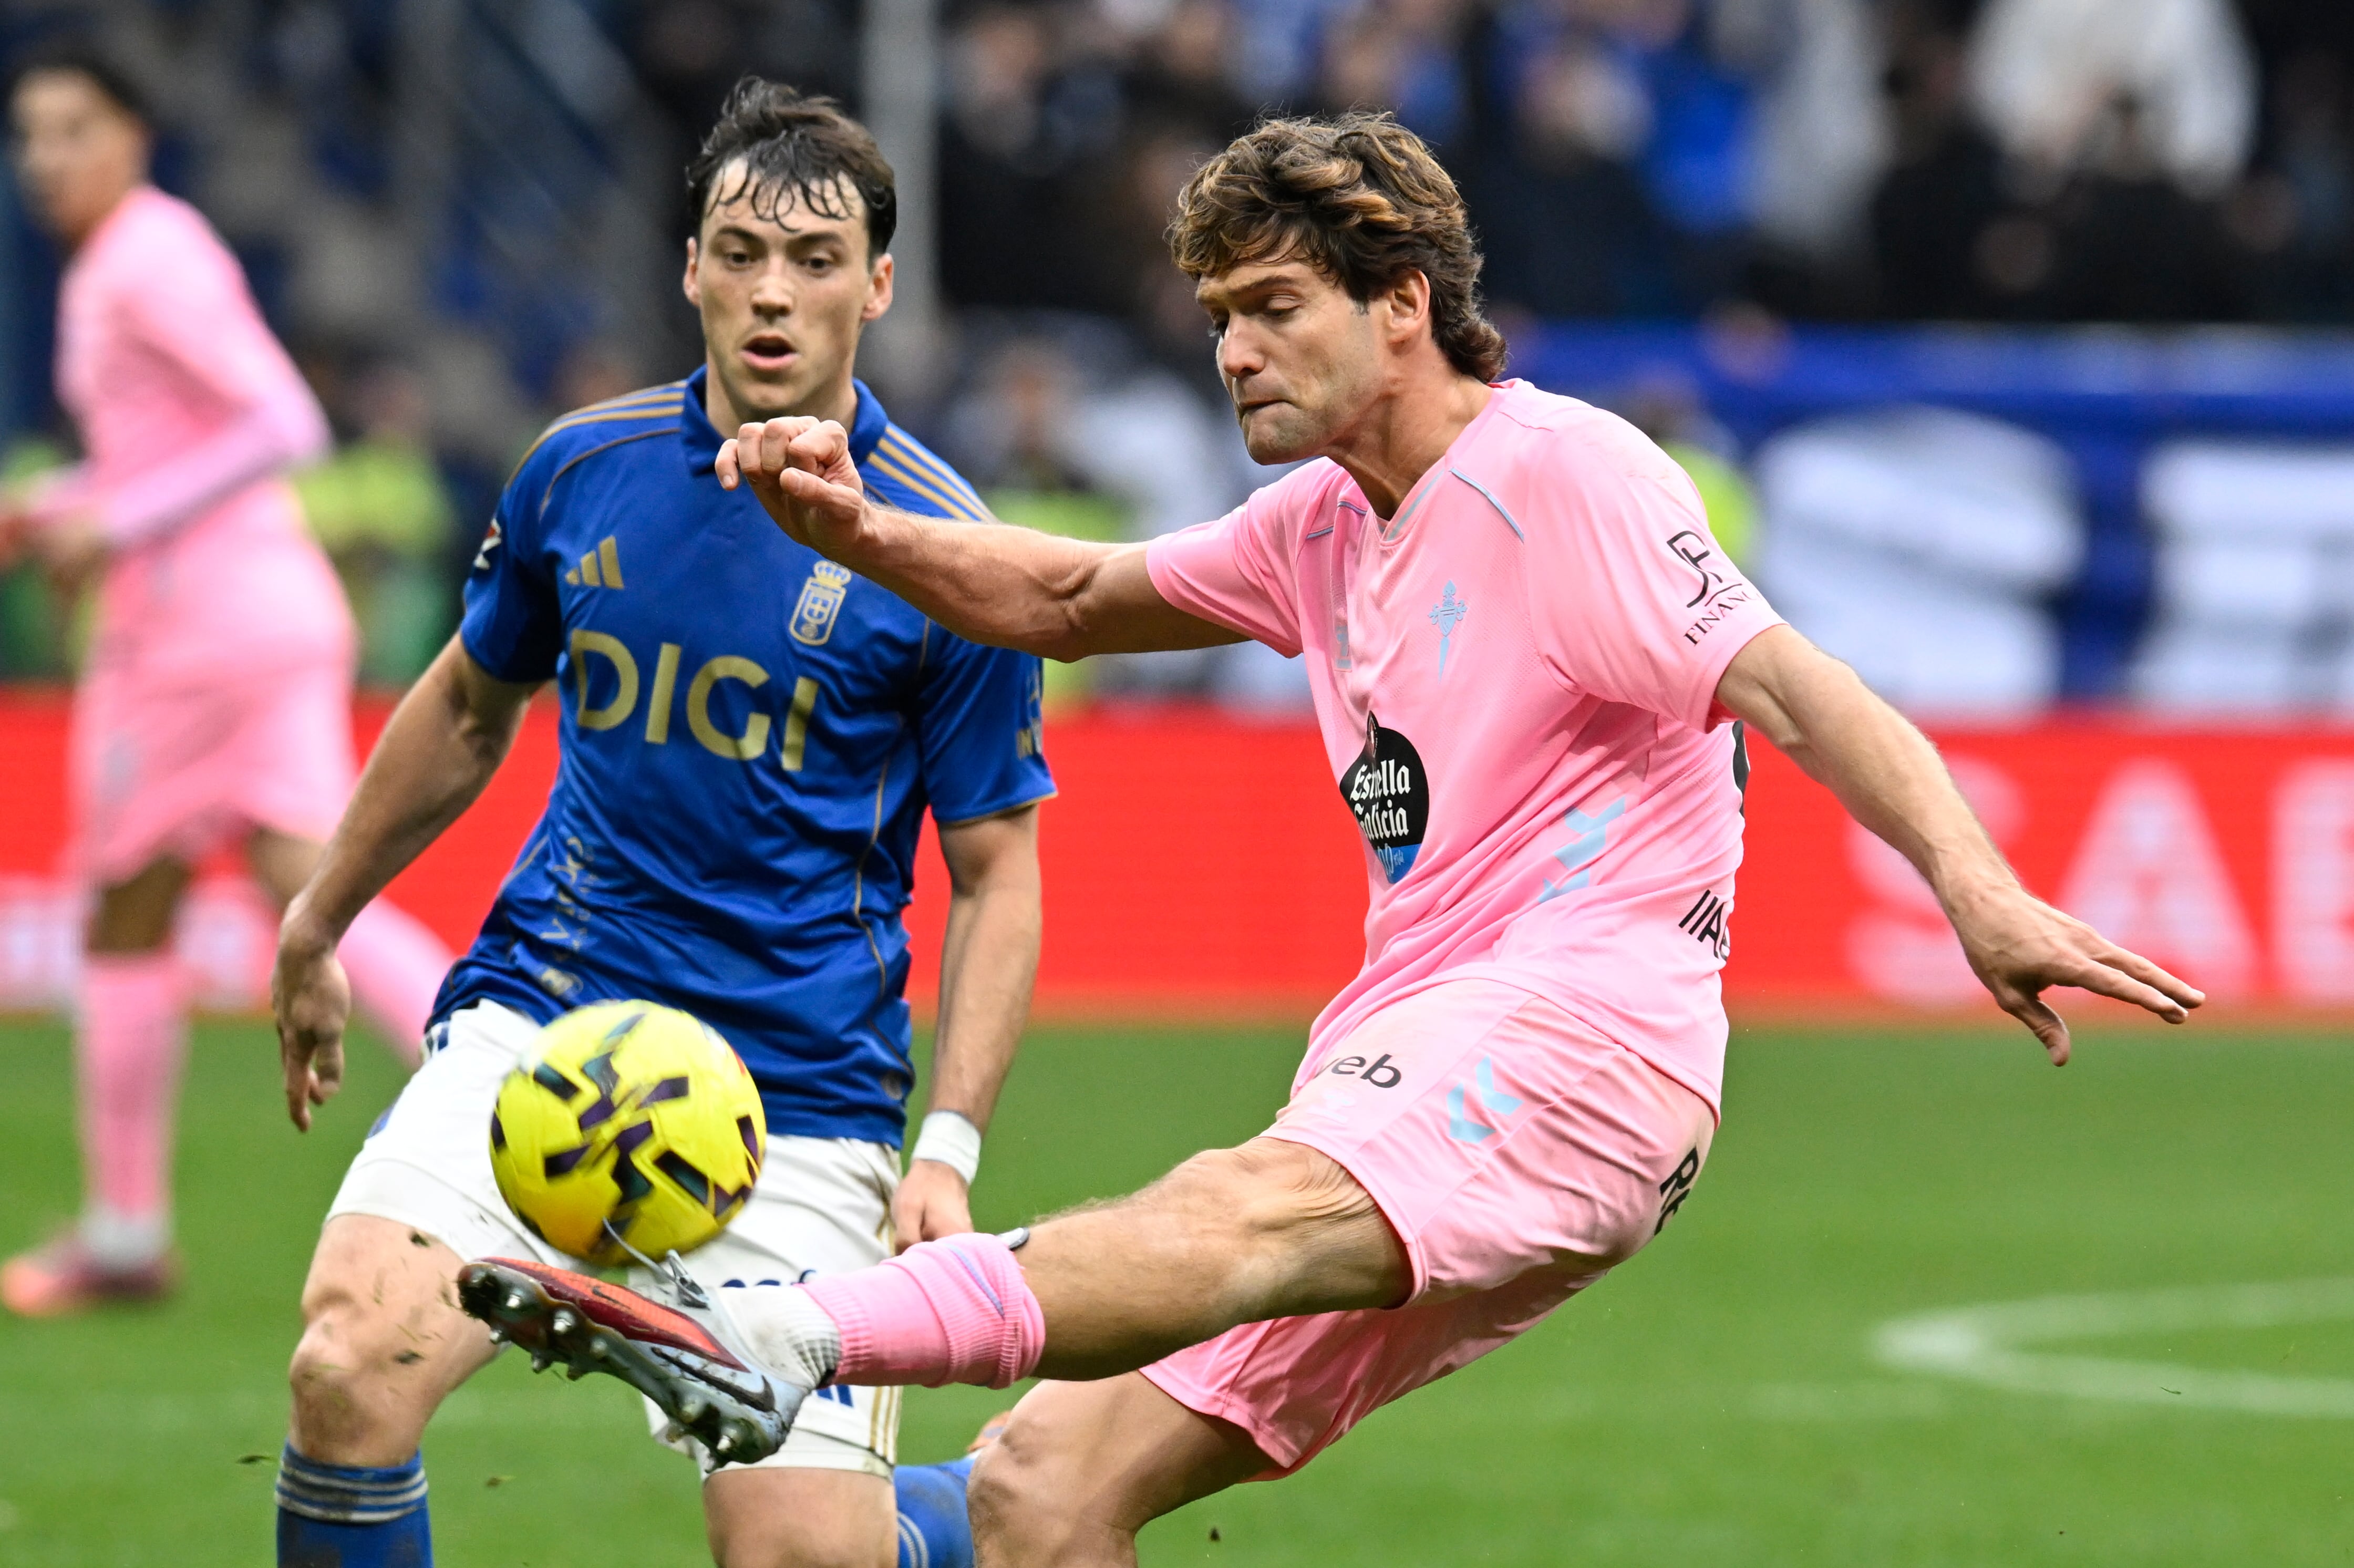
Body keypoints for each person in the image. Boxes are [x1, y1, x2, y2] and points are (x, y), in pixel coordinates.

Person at [461, 111, 2208, 1564]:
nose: (1233, 349)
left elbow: (1798, 686)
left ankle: (784, 1335)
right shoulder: (1318, 522)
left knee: (1239, 1212)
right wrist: (858, 527)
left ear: (1405, 305)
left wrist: (1978, 887)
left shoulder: (1565, 477)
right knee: (1040, 1493)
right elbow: (1062, 597)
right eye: (1221, 313)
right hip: (1415, 1039)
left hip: (1578, 1040)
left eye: (1276, 306)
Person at [264, 79, 1050, 1568]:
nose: (773, 293)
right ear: (690, 268)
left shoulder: (945, 545)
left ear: (878, 285)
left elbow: (997, 871)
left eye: (815, 261)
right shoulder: (582, 469)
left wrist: (946, 1147)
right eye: (740, 253)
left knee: (804, 1556)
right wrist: (321, 919)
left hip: (798, 1092)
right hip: (547, 1027)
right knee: (348, 1362)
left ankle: (976, 1519)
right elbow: (471, 704)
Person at [0, 46, 451, 1318]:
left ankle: (126, 1233)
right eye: (29, 133)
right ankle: (514, 1087)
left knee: (125, 910)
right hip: (256, 611)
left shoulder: (144, 259)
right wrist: (62, 506)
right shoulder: (137, 256)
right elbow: (178, 451)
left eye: (72, 129)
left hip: (194, 636)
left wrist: (114, 522)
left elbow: (280, 424)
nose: (44, 158)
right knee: (310, 882)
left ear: (134, 137)